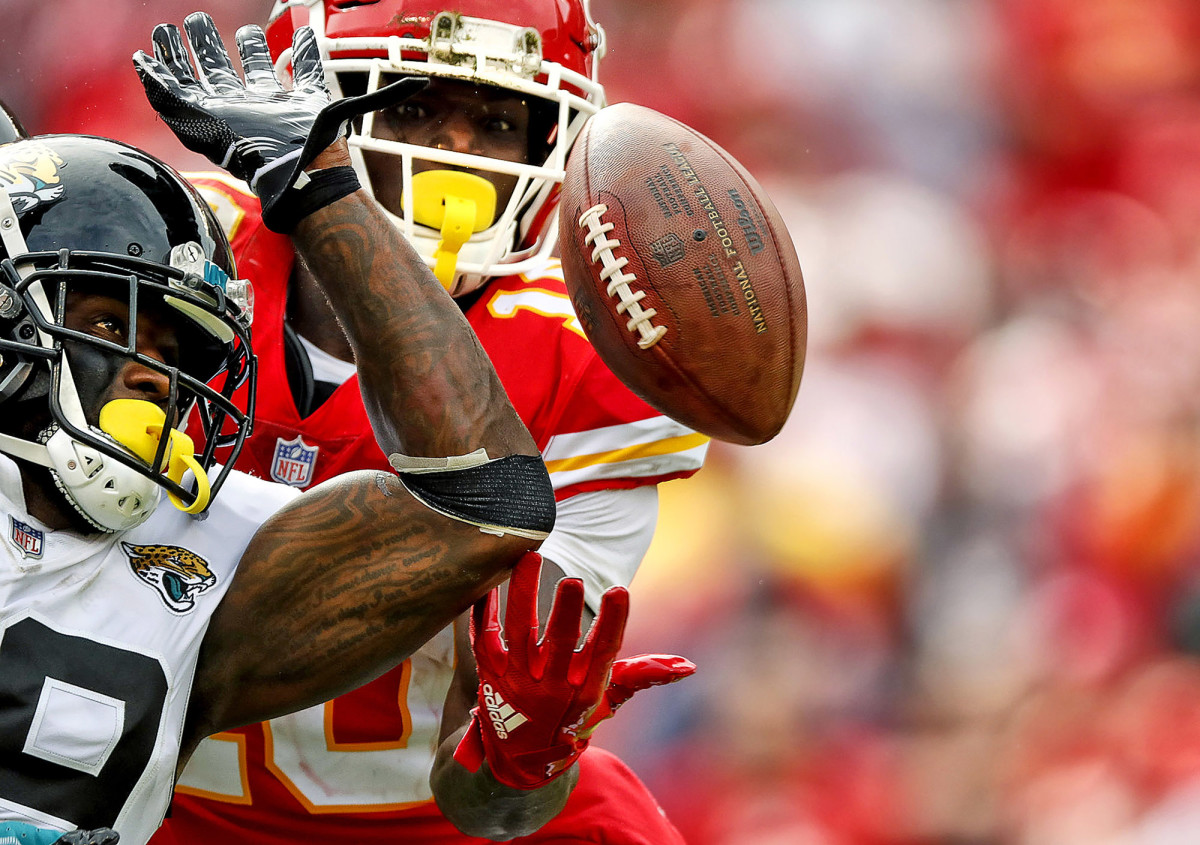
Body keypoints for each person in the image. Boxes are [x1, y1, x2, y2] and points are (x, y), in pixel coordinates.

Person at [0, 13, 576, 844]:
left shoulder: (203, 542)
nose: (150, 376)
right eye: (104, 325)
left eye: (176, 352)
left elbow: (488, 501)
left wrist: (321, 188)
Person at [155, 1, 708, 843]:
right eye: (410, 106)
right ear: (306, 103)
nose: (452, 151)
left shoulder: (579, 363)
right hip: (148, 792)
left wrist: (520, 754)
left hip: (427, 823)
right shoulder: (168, 264)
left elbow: (489, 806)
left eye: (496, 121)